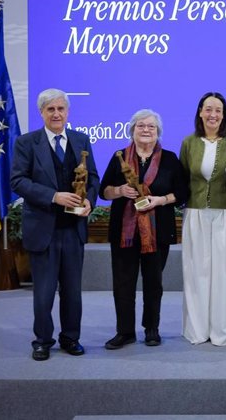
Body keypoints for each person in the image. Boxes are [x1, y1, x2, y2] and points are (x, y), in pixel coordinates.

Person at [10, 88, 99, 361]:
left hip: (73, 230)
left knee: (72, 292)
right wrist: (53, 196)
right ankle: (42, 340)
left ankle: (71, 338)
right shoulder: (27, 143)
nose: (56, 114)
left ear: (68, 112)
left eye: (61, 109)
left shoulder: (81, 139)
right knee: (44, 293)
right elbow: (18, 181)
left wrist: (89, 203)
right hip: (43, 230)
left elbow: (93, 179)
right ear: (41, 113)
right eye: (51, 109)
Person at [99, 109, 188, 349]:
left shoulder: (169, 159)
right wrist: (119, 191)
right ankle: (125, 332)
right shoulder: (119, 156)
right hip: (124, 234)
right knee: (123, 284)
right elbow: (103, 191)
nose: (146, 130)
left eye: (151, 127)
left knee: (153, 283)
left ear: (158, 132)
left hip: (158, 232)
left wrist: (159, 200)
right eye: (141, 126)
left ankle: (151, 329)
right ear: (132, 130)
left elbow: (182, 194)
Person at [179, 92, 226, 346]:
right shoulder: (189, 143)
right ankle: (198, 328)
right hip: (197, 214)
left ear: (224, 114)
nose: (213, 114)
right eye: (208, 109)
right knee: (197, 271)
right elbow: (182, 180)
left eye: (218, 110)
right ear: (200, 112)